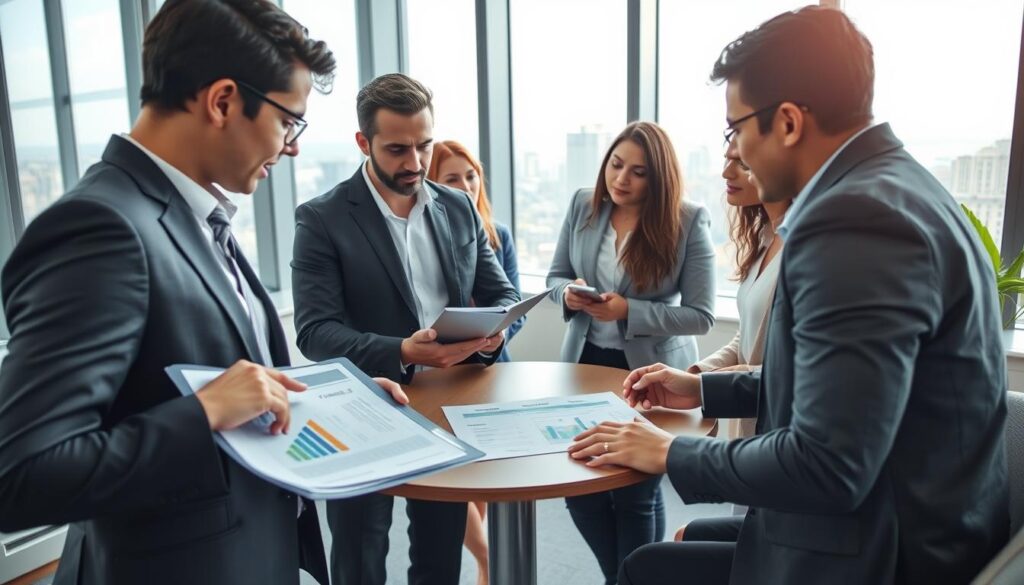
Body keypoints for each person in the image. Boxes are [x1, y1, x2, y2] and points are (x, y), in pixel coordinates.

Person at [568, 7, 1009, 585]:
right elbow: (847, 391)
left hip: (880, 552)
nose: (736, 153)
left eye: (737, 130)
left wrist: (667, 453)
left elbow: (829, 462)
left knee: (647, 572)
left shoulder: (854, 222)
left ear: (789, 123)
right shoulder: (898, 186)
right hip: (896, 518)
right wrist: (701, 388)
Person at [0, 2, 402, 584]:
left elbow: (212, 379)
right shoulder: (101, 228)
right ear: (221, 101)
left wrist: (340, 397)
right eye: (289, 120)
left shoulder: (195, 214)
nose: (292, 146)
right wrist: (204, 413)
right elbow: (21, 475)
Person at [291, 73, 520, 585]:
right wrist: (404, 351)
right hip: (363, 404)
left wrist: (495, 333)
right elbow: (314, 331)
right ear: (362, 143)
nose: (415, 163)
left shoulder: (457, 207)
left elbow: (505, 295)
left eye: (424, 145)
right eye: (397, 149)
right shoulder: (321, 219)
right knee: (360, 554)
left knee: (440, 553)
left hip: (447, 405)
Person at [546, 121, 716, 584]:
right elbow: (555, 277)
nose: (620, 180)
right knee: (579, 488)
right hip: (584, 365)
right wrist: (568, 295)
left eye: (637, 172)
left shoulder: (687, 219)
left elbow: (700, 315)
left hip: (649, 375)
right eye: (615, 165)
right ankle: (621, 578)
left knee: (636, 492)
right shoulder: (583, 203)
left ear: (657, 178)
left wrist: (629, 311)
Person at [675, 138, 793, 541]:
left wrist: (702, 388)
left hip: (777, 433)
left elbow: (795, 372)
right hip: (746, 425)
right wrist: (694, 374)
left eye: (740, 163)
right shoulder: (765, 235)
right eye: (726, 161)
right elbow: (748, 335)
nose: (727, 173)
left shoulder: (805, 249)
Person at [426, 139, 524, 585]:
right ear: (430, 182)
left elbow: (513, 306)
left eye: (471, 175)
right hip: (441, 373)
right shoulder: (425, 235)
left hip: (489, 371)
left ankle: (485, 569)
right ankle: (487, 558)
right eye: (451, 178)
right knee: (453, 479)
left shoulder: (496, 232)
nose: (465, 185)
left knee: (481, 478)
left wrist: (496, 334)